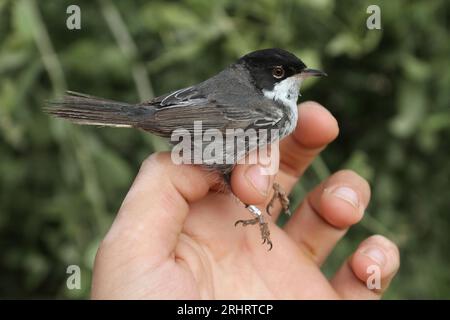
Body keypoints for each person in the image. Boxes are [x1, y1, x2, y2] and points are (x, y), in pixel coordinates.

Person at [91, 101, 400, 299]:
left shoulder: (276, 111)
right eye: (280, 73)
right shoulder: (268, 109)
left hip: (184, 120)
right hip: (199, 138)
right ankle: (254, 206)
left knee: (252, 177)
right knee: (241, 179)